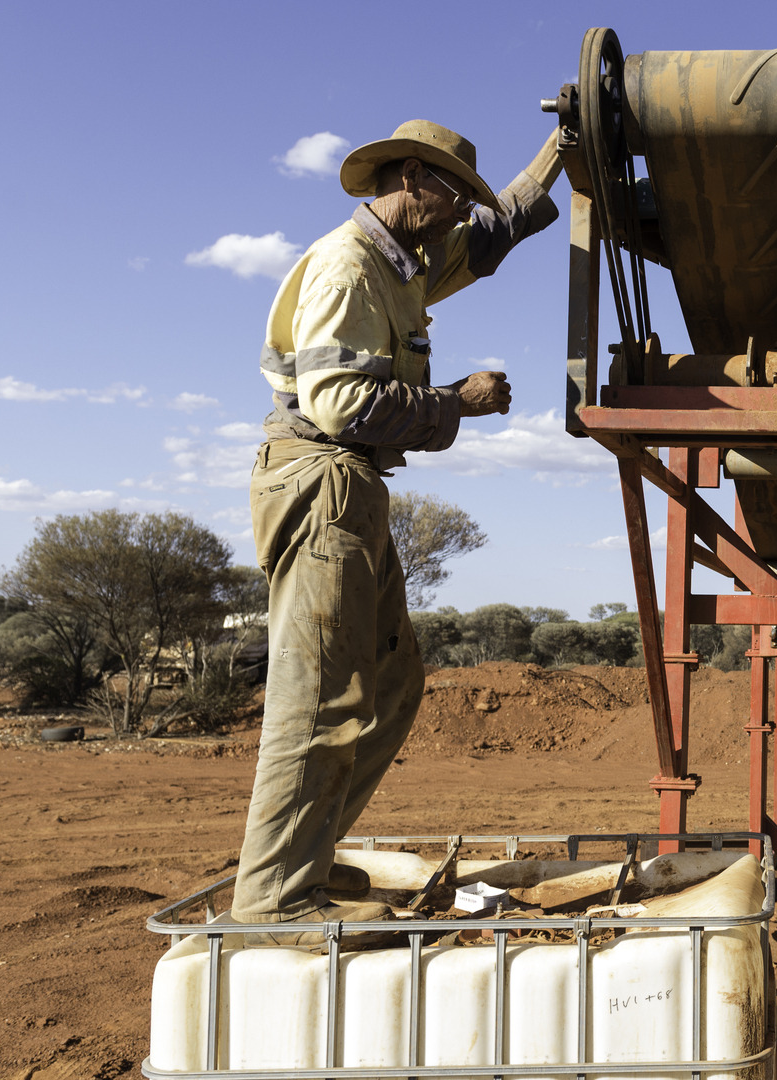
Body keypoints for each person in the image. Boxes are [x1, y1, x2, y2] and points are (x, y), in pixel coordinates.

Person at [232, 120, 561, 943]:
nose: (458, 215)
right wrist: (459, 400)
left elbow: (491, 235)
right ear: (413, 178)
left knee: (389, 685)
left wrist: (564, 150)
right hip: (321, 480)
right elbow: (340, 403)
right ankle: (275, 897)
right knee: (321, 697)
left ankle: (305, 861)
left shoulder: (404, 262)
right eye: (452, 196)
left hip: (353, 485)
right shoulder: (351, 268)